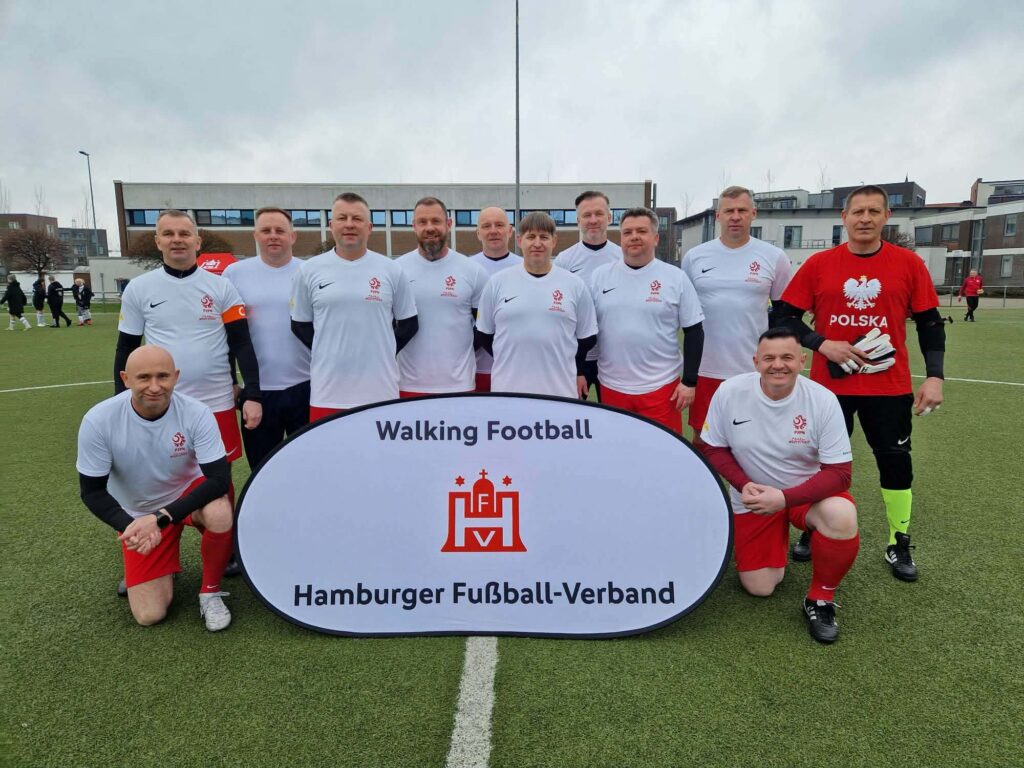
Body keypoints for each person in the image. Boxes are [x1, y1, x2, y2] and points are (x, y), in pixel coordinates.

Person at [773, 185, 945, 582]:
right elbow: (783, 317)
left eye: (873, 211)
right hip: (828, 389)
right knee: (816, 461)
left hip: (889, 388)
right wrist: (822, 344)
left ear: (886, 217)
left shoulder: (908, 263)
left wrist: (935, 376)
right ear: (844, 218)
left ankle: (898, 540)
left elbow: (930, 323)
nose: (865, 218)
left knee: (895, 461)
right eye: (858, 212)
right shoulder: (819, 264)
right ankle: (813, 524)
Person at [115, 210, 262, 592]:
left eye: (184, 233)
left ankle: (226, 548)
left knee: (220, 477)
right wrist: (121, 404)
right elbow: (126, 349)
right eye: (169, 234)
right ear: (158, 241)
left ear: (198, 242)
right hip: (159, 405)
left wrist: (251, 392)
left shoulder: (221, 287)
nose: (177, 239)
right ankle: (144, 550)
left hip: (215, 402)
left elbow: (242, 344)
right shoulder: (139, 289)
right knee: (151, 477)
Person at [700, 328, 858, 643]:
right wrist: (743, 484)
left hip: (803, 496)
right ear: (756, 361)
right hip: (754, 499)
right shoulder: (730, 392)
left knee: (841, 515)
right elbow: (713, 447)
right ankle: (782, 539)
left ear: (802, 361)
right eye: (769, 358)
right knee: (760, 587)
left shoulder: (822, 400)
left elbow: (840, 473)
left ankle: (820, 598)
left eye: (787, 357)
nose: (778, 365)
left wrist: (785, 498)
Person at [77, 346, 234, 631]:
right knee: (149, 615)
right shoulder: (99, 420)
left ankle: (210, 592)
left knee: (220, 510)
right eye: (143, 377)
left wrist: (161, 517)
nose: (154, 386)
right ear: (125, 379)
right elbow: (92, 492)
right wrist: (131, 526)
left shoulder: (197, 412)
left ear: (176, 377)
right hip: (139, 514)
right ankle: (161, 566)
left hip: (186, 498)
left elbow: (219, 479)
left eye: (163, 376)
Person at [291, 192, 417, 421]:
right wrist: (328, 350)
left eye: (357, 218)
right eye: (342, 218)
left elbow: (409, 323)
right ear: (331, 225)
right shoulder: (308, 271)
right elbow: (299, 325)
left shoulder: (391, 270)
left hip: (380, 391)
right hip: (327, 394)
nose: (349, 224)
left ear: (369, 227)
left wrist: (382, 351)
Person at [681, 186, 791, 443]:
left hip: (752, 368)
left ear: (753, 214)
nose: (735, 216)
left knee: (752, 439)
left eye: (742, 210)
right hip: (706, 367)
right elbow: (685, 313)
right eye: (729, 211)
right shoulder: (694, 257)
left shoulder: (774, 257)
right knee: (703, 438)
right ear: (718, 216)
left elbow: (783, 314)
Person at [590, 207, 704, 432]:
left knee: (664, 450)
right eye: (627, 232)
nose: (634, 237)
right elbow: (586, 329)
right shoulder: (599, 276)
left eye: (641, 231)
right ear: (621, 238)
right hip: (612, 385)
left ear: (655, 238)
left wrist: (689, 381)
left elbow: (694, 331)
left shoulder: (676, 278)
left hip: (661, 386)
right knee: (616, 448)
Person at [223, 207, 311, 470]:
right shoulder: (234, 274)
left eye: (280, 230)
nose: (273, 236)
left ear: (293, 236)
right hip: (257, 393)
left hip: (307, 387)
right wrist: (231, 381)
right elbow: (225, 336)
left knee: (308, 469)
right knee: (262, 471)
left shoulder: (310, 272)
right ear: (255, 235)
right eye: (266, 230)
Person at [475, 212, 597, 398]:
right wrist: (509, 354)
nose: (537, 243)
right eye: (531, 237)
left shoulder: (575, 284)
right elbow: (484, 334)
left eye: (544, 237)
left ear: (554, 241)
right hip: (508, 392)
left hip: (560, 393)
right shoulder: (497, 283)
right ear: (519, 240)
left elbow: (587, 338)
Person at [396, 198, 488, 396]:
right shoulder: (397, 270)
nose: (430, 227)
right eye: (422, 222)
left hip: (460, 386)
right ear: (414, 226)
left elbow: (483, 329)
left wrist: (458, 353)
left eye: (436, 221)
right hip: (408, 385)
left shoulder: (473, 271)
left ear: (448, 224)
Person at [553, 191, 624, 399]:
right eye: (586, 215)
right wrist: (578, 367)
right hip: (576, 358)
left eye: (599, 214)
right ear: (578, 221)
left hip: (614, 357)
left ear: (609, 218)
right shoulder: (564, 260)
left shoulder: (623, 257)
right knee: (573, 415)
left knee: (614, 416)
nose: (593, 220)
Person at [468, 207, 523, 392]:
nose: (493, 231)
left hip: (515, 369)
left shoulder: (525, 268)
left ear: (510, 230)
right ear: (478, 233)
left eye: (499, 225)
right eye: (486, 226)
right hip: (473, 370)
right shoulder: (466, 268)